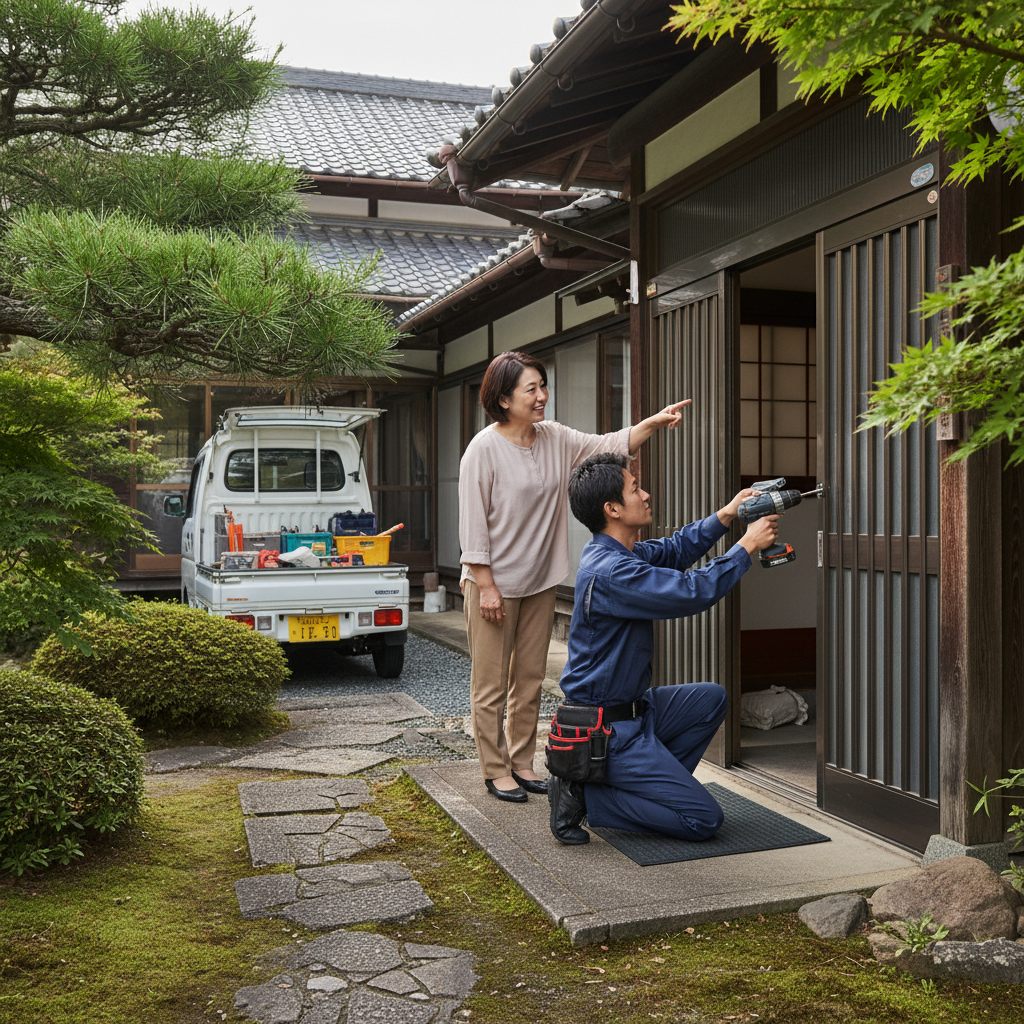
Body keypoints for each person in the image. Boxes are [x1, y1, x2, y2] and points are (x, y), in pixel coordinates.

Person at [459, 350, 689, 803]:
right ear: (504, 398)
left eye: (544, 386)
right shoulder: (483, 449)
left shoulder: (554, 437)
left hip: (540, 580)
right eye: (532, 389)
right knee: (490, 685)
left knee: (528, 680)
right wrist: (485, 584)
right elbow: (472, 525)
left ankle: (522, 763)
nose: (542, 396)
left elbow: (608, 444)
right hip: (493, 585)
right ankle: (494, 769)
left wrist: (652, 424)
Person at [548, 452, 779, 844]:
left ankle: (643, 785)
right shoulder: (612, 571)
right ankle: (590, 795)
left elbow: (674, 551)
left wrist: (726, 514)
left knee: (711, 699)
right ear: (613, 509)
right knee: (703, 820)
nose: (646, 494)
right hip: (608, 730)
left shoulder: (618, 554)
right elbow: (691, 592)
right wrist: (745, 547)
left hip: (636, 712)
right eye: (635, 489)